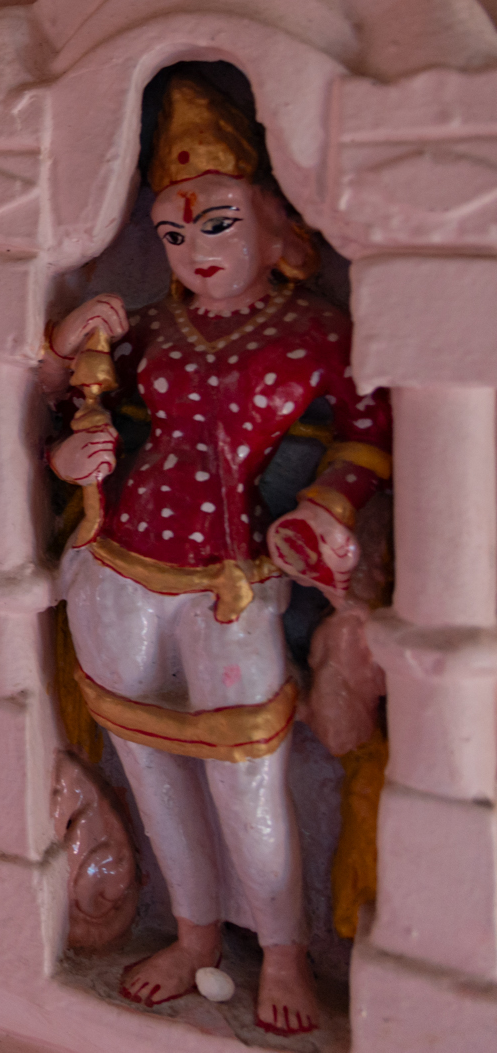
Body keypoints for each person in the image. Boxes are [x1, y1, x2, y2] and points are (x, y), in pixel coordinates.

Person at [43, 71, 390, 1036]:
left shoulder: (319, 331)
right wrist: (67, 431)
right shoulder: (148, 329)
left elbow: (370, 430)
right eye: (172, 233)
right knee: (149, 762)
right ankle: (194, 934)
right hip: (120, 561)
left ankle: (283, 952)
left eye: (218, 223)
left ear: (274, 224)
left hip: (238, 578)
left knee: (246, 773)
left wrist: (327, 505)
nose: (194, 249)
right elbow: (72, 405)